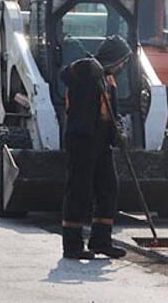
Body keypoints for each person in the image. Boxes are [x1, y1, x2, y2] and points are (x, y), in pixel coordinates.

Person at [60, 35, 133, 260]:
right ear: (113, 58)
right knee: (79, 191)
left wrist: (119, 131)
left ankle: (101, 240)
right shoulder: (87, 71)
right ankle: (72, 244)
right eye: (122, 61)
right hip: (82, 140)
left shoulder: (109, 80)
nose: (123, 66)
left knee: (109, 188)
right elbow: (66, 74)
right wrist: (85, 65)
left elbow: (113, 111)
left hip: (101, 141)